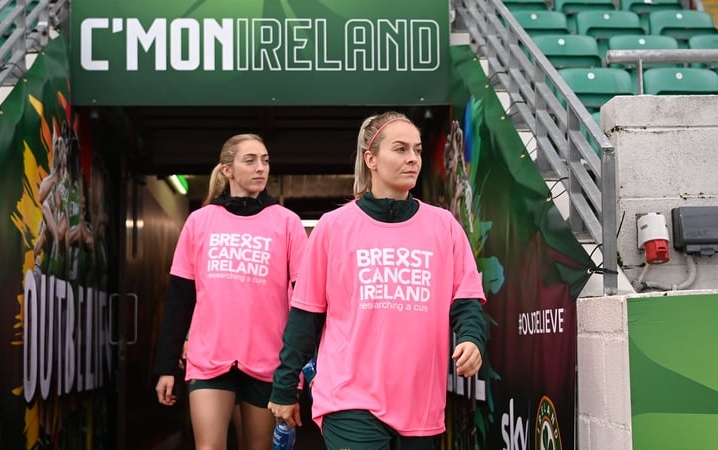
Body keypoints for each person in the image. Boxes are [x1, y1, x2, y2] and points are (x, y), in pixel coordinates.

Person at [268, 111, 487, 449]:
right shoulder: (333, 226)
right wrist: (285, 387)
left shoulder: (444, 226)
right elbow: (305, 316)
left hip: (420, 405)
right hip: (349, 399)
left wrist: (472, 339)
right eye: (400, 149)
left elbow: (467, 301)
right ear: (370, 158)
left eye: (416, 149)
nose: (412, 158)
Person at [154, 133, 308, 450]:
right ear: (227, 170)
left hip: (268, 362)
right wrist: (165, 366)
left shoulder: (287, 223)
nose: (260, 168)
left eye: (265, 160)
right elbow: (179, 300)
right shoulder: (199, 222)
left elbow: (304, 304)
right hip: (209, 359)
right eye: (249, 160)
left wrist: (295, 371)